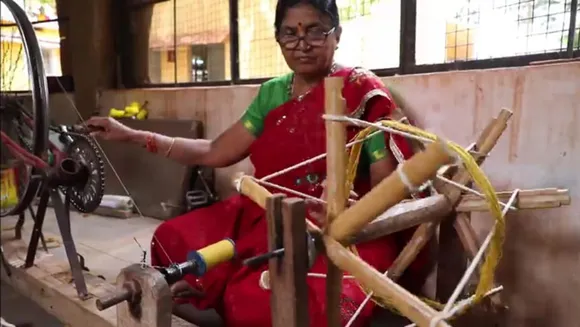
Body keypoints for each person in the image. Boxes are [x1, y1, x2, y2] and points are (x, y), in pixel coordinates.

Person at [87, 0, 430, 325]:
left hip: (336, 228)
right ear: (278, 38)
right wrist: (133, 135)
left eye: (315, 31)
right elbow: (215, 151)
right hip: (267, 212)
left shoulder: (361, 90)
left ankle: (222, 291)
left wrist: (350, 209)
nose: (302, 43)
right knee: (171, 236)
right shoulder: (273, 94)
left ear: (337, 35)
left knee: (273, 301)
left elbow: (390, 183)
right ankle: (216, 288)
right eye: (290, 33)